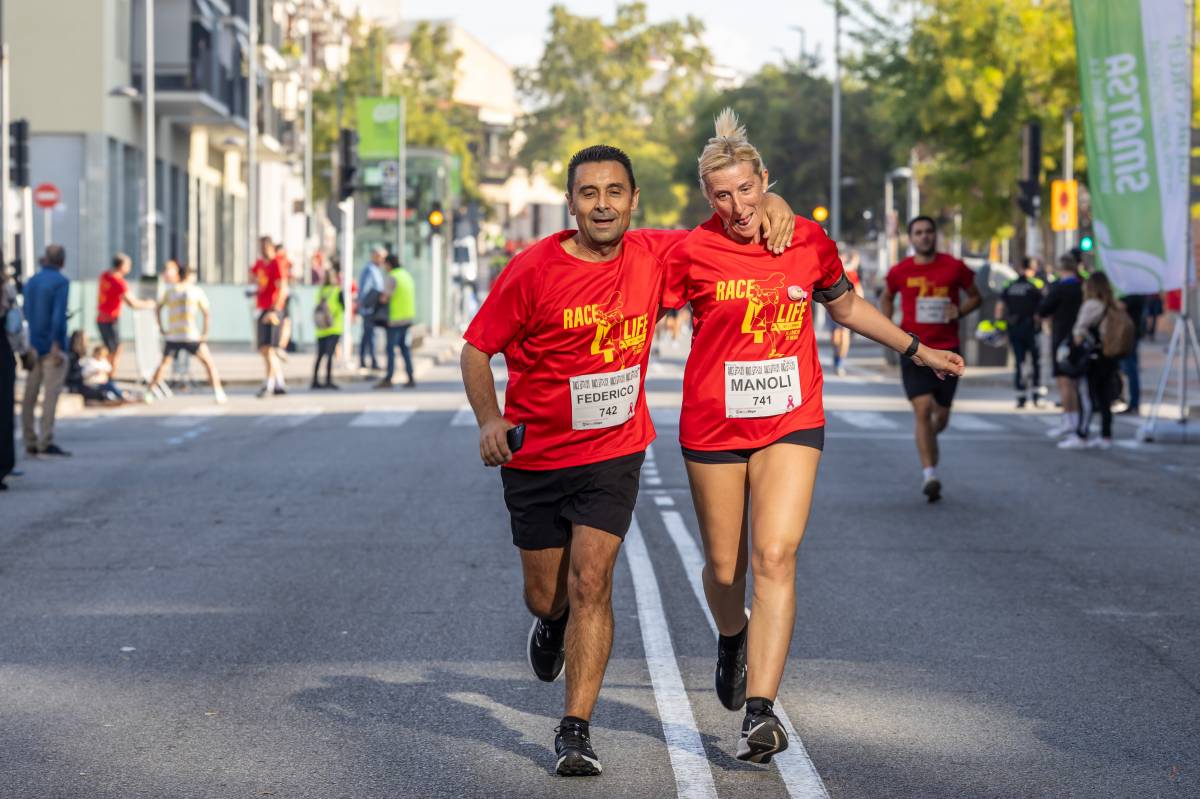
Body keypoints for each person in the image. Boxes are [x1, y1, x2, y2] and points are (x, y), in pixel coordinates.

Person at [460, 143, 796, 777]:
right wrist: (489, 420)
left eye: (615, 191)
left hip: (613, 452)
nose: (603, 204)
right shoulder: (532, 269)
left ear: (633, 200)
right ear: (572, 203)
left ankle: (575, 728)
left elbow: (734, 216)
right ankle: (551, 623)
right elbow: (477, 349)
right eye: (589, 193)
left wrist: (774, 201)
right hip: (537, 455)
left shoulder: (655, 253)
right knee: (545, 594)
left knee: (594, 581)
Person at [663, 110, 964, 764]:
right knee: (724, 567)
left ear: (764, 181)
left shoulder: (805, 239)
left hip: (790, 417)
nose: (739, 205)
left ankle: (761, 711)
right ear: (707, 198)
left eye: (748, 189)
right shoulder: (690, 250)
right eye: (723, 194)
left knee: (775, 555)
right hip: (712, 421)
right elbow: (629, 294)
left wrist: (921, 349)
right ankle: (733, 634)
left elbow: (846, 304)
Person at [881, 216, 981, 502]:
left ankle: (929, 438)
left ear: (935, 236)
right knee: (922, 410)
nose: (924, 237)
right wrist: (889, 327)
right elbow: (887, 296)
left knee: (941, 417)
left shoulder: (954, 266)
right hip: (914, 350)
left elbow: (976, 296)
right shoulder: (900, 271)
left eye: (928, 232)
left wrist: (959, 311)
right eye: (918, 233)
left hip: (947, 349)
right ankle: (930, 475)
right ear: (911, 238)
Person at [1059, 272, 1122, 450]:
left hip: (1093, 357)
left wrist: (1074, 348)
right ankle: (1106, 435)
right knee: (1104, 398)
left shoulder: (1091, 305)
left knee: (1086, 396)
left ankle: (1081, 434)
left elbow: (1079, 331)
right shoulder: (1112, 305)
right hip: (1109, 356)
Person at [147, 263, 226, 403]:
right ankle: (218, 392)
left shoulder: (170, 291)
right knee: (208, 363)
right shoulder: (196, 290)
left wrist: (161, 327)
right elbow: (207, 313)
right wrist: (205, 333)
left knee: (163, 364)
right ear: (189, 276)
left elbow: (157, 308)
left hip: (173, 335)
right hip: (191, 334)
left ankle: (149, 392)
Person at [21, 245, 72, 457]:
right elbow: (58, 314)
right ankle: (46, 440)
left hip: (32, 344)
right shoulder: (61, 282)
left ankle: (29, 439)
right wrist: (57, 343)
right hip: (52, 346)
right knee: (50, 395)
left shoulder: (31, 281)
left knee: (29, 395)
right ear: (62, 261)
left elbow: (25, 312)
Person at [1037, 253, 1084, 438]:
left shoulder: (1060, 288)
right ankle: (1074, 421)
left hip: (1062, 337)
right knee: (1076, 383)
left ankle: (1069, 421)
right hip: (1080, 338)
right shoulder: (1082, 287)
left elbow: (1043, 309)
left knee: (1064, 382)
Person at [995, 256, 1045, 408]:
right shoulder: (1036, 284)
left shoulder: (1010, 284)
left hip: (1014, 328)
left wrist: (999, 325)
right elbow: (1044, 307)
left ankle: (1020, 396)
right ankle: (1036, 395)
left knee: (1019, 362)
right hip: (1032, 329)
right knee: (1036, 362)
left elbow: (1000, 306)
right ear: (1032, 268)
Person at [96, 252, 154, 374]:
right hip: (110, 320)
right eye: (128, 265)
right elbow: (132, 303)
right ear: (121, 266)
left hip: (102, 318)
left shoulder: (105, 275)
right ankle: (109, 377)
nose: (130, 267)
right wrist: (149, 304)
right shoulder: (119, 283)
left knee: (112, 348)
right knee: (114, 350)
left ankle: (107, 376)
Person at [251, 236, 288, 397]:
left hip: (272, 309)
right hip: (261, 308)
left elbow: (283, 288)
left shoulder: (277, 263)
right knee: (264, 349)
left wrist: (275, 310)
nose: (263, 250)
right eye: (261, 247)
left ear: (272, 247)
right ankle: (279, 382)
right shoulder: (260, 265)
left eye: (266, 247)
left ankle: (269, 384)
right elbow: (255, 280)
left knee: (269, 348)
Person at [376, 254, 416, 389]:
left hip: (395, 320)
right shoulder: (406, 275)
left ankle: (389, 377)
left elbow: (385, 297)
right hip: (407, 318)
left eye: (385, 264)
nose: (384, 267)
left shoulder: (392, 277)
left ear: (389, 264)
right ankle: (410, 377)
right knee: (404, 348)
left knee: (390, 349)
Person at [828, 248, 865, 376]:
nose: (842, 260)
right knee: (836, 338)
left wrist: (860, 304)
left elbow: (859, 290)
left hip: (847, 310)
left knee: (844, 335)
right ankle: (836, 355)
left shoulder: (851, 273)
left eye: (843, 257)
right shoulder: (831, 271)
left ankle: (840, 363)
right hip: (832, 309)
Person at [0, 259, 18, 488]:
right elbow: (15, 325)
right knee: (3, 413)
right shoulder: (6, 288)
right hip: (2, 353)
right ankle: (3, 466)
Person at [312, 267, 344, 390]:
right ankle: (328, 380)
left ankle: (315, 380)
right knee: (330, 355)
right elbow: (343, 308)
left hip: (320, 328)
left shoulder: (320, 291)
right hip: (334, 327)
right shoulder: (337, 291)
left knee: (319, 355)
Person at [357, 247, 387, 373]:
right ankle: (372, 361)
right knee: (371, 335)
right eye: (382, 257)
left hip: (372, 308)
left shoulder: (375, 270)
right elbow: (365, 290)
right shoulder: (370, 270)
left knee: (366, 335)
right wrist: (365, 306)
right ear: (375, 256)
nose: (383, 261)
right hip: (369, 309)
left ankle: (363, 360)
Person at [1117, 292, 1146, 415]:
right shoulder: (1130, 291)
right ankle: (1128, 400)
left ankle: (1134, 403)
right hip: (1127, 333)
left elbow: (1120, 306)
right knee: (1125, 368)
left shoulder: (1134, 293)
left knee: (1130, 369)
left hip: (1129, 334)